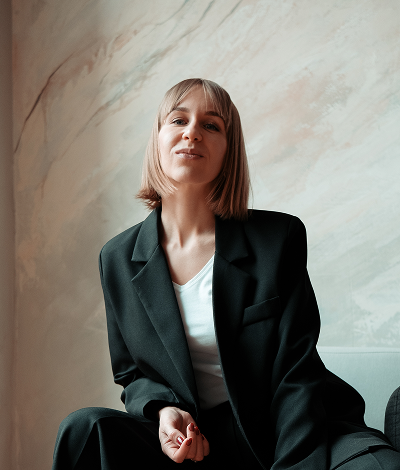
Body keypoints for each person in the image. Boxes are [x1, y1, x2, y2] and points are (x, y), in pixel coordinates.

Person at [52, 78, 400, 469]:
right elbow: (132, 374)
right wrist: (163, 411)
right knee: (84, 429)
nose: (192, 133)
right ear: (158, 139)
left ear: (228, 150)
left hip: (292, 429)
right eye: (178, 120)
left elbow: (295, 370)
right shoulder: (116, 258)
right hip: (198, 445)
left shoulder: (278, 239)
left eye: (211, 125)